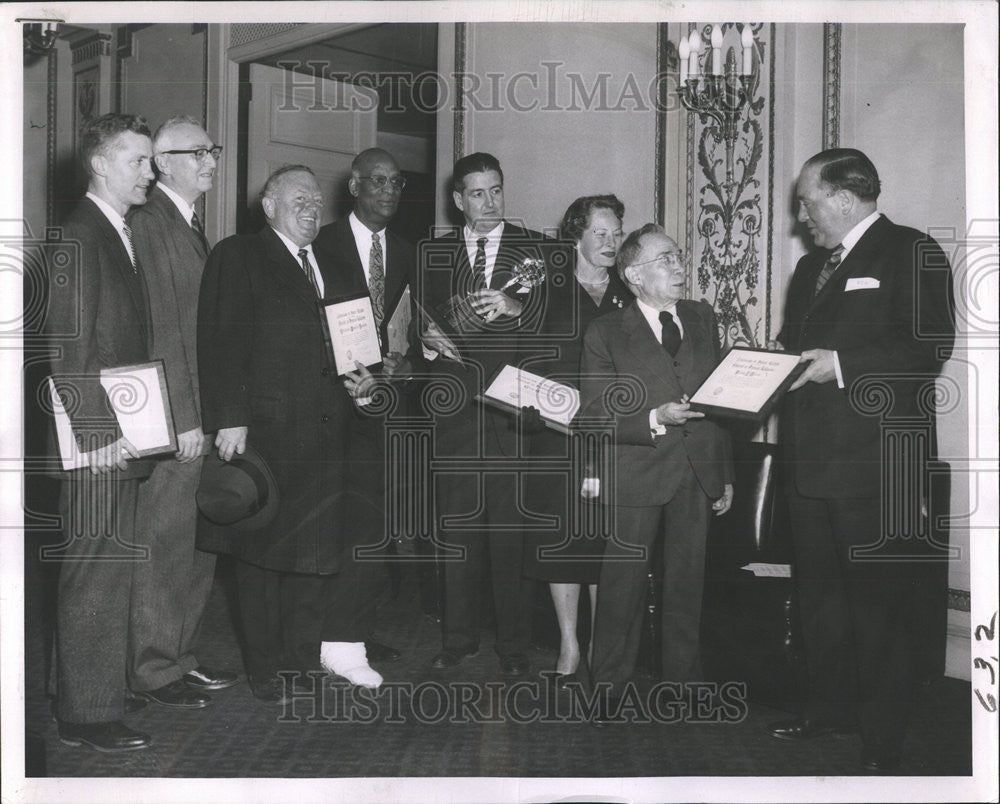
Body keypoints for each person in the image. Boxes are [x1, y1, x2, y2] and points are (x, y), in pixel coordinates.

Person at [766, 148, 955, 772]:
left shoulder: (911, 251)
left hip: (879, 467)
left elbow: (929, 345)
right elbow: (793, 351)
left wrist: (840, 366)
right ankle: (828, 714)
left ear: (844, 200)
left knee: (880, 612)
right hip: (811, 463)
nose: (801, 214)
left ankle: (883, 744)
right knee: (819, 600)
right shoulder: (809, 268)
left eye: (808, 201)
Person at [197, 165, 383, 701]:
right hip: (269, 433)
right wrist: (229, 418)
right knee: (260, 557)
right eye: (298, 198)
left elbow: (356, 339)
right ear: (269, 204)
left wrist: (368, 374)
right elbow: (220, 343)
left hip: (331, 434)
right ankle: (265, 670)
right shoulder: (238, 256)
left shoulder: (332, 261)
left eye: (316, 200)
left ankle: (302, 662)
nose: (311, 208)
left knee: (315, 557)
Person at [579, 224, 733, 720]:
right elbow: (595, 412)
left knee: (687, 582)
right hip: (637, 467)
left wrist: (723, 473)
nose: (680, 267)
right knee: (622, 584)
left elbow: (722, 399)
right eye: (666, 259)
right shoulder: (606, 331)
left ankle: (682, 684)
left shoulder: (702, 317)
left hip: (697, 470)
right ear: (634, 275)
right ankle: (607, 686)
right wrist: (653, 418)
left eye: (679, 256)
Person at [46, 113, 156, 751]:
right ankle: (86, 715)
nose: (149, 171)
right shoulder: (79, 235)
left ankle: (94, 690)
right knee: (94, 569)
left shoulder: (116, 231)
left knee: (111, 568)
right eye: (138, 161)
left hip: (122, 430)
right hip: (98, 440)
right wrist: (96, 435)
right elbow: (69, 347)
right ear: (100, 164)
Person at [419, 152, 552, 677]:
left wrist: (521, 309)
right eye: (477, 193)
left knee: (510, 536)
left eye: (496, 190)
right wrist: (425, 340)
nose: (489, 202)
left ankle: (515, 646)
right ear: (458, 201)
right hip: (454, 413)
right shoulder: (434, 252)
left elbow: (559, 326)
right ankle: (457, 639)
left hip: (512, 414)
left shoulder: (537, 251)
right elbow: (413, 318)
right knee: (457, 533)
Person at [126, 115, 238, 710]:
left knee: (194, 548)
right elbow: (162, 332)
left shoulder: (190, 224)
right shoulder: (149, 223)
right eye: (198, 152)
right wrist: (186, 418)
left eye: (211, 150)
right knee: (163, 547)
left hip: (199, 411)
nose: (211, 162)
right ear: (164, 162)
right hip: (175, 418)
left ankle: (177, 655)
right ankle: (151, 668)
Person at [313, 147, 421, 665]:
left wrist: (406, 366)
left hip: (388, 407)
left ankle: (353, 625)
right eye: (376, 180)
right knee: (332, 522)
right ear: (353, 187)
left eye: (396, 182)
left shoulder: (407, 251)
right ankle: (326, 632)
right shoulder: (319, 244)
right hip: (331, 405)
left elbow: (409, 331)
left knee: (377, 521)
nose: (387, 191)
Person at [521, 194, 633, 684]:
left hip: (612, 441)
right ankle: (568, 647)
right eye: (600, 234)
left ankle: (600, 649)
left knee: (603, 543)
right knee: (561, 542)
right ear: (577, 237)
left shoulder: (630, 294)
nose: (611, 243)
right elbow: (525, 360)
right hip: (555, 437)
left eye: (616, 234)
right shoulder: (547, 289)